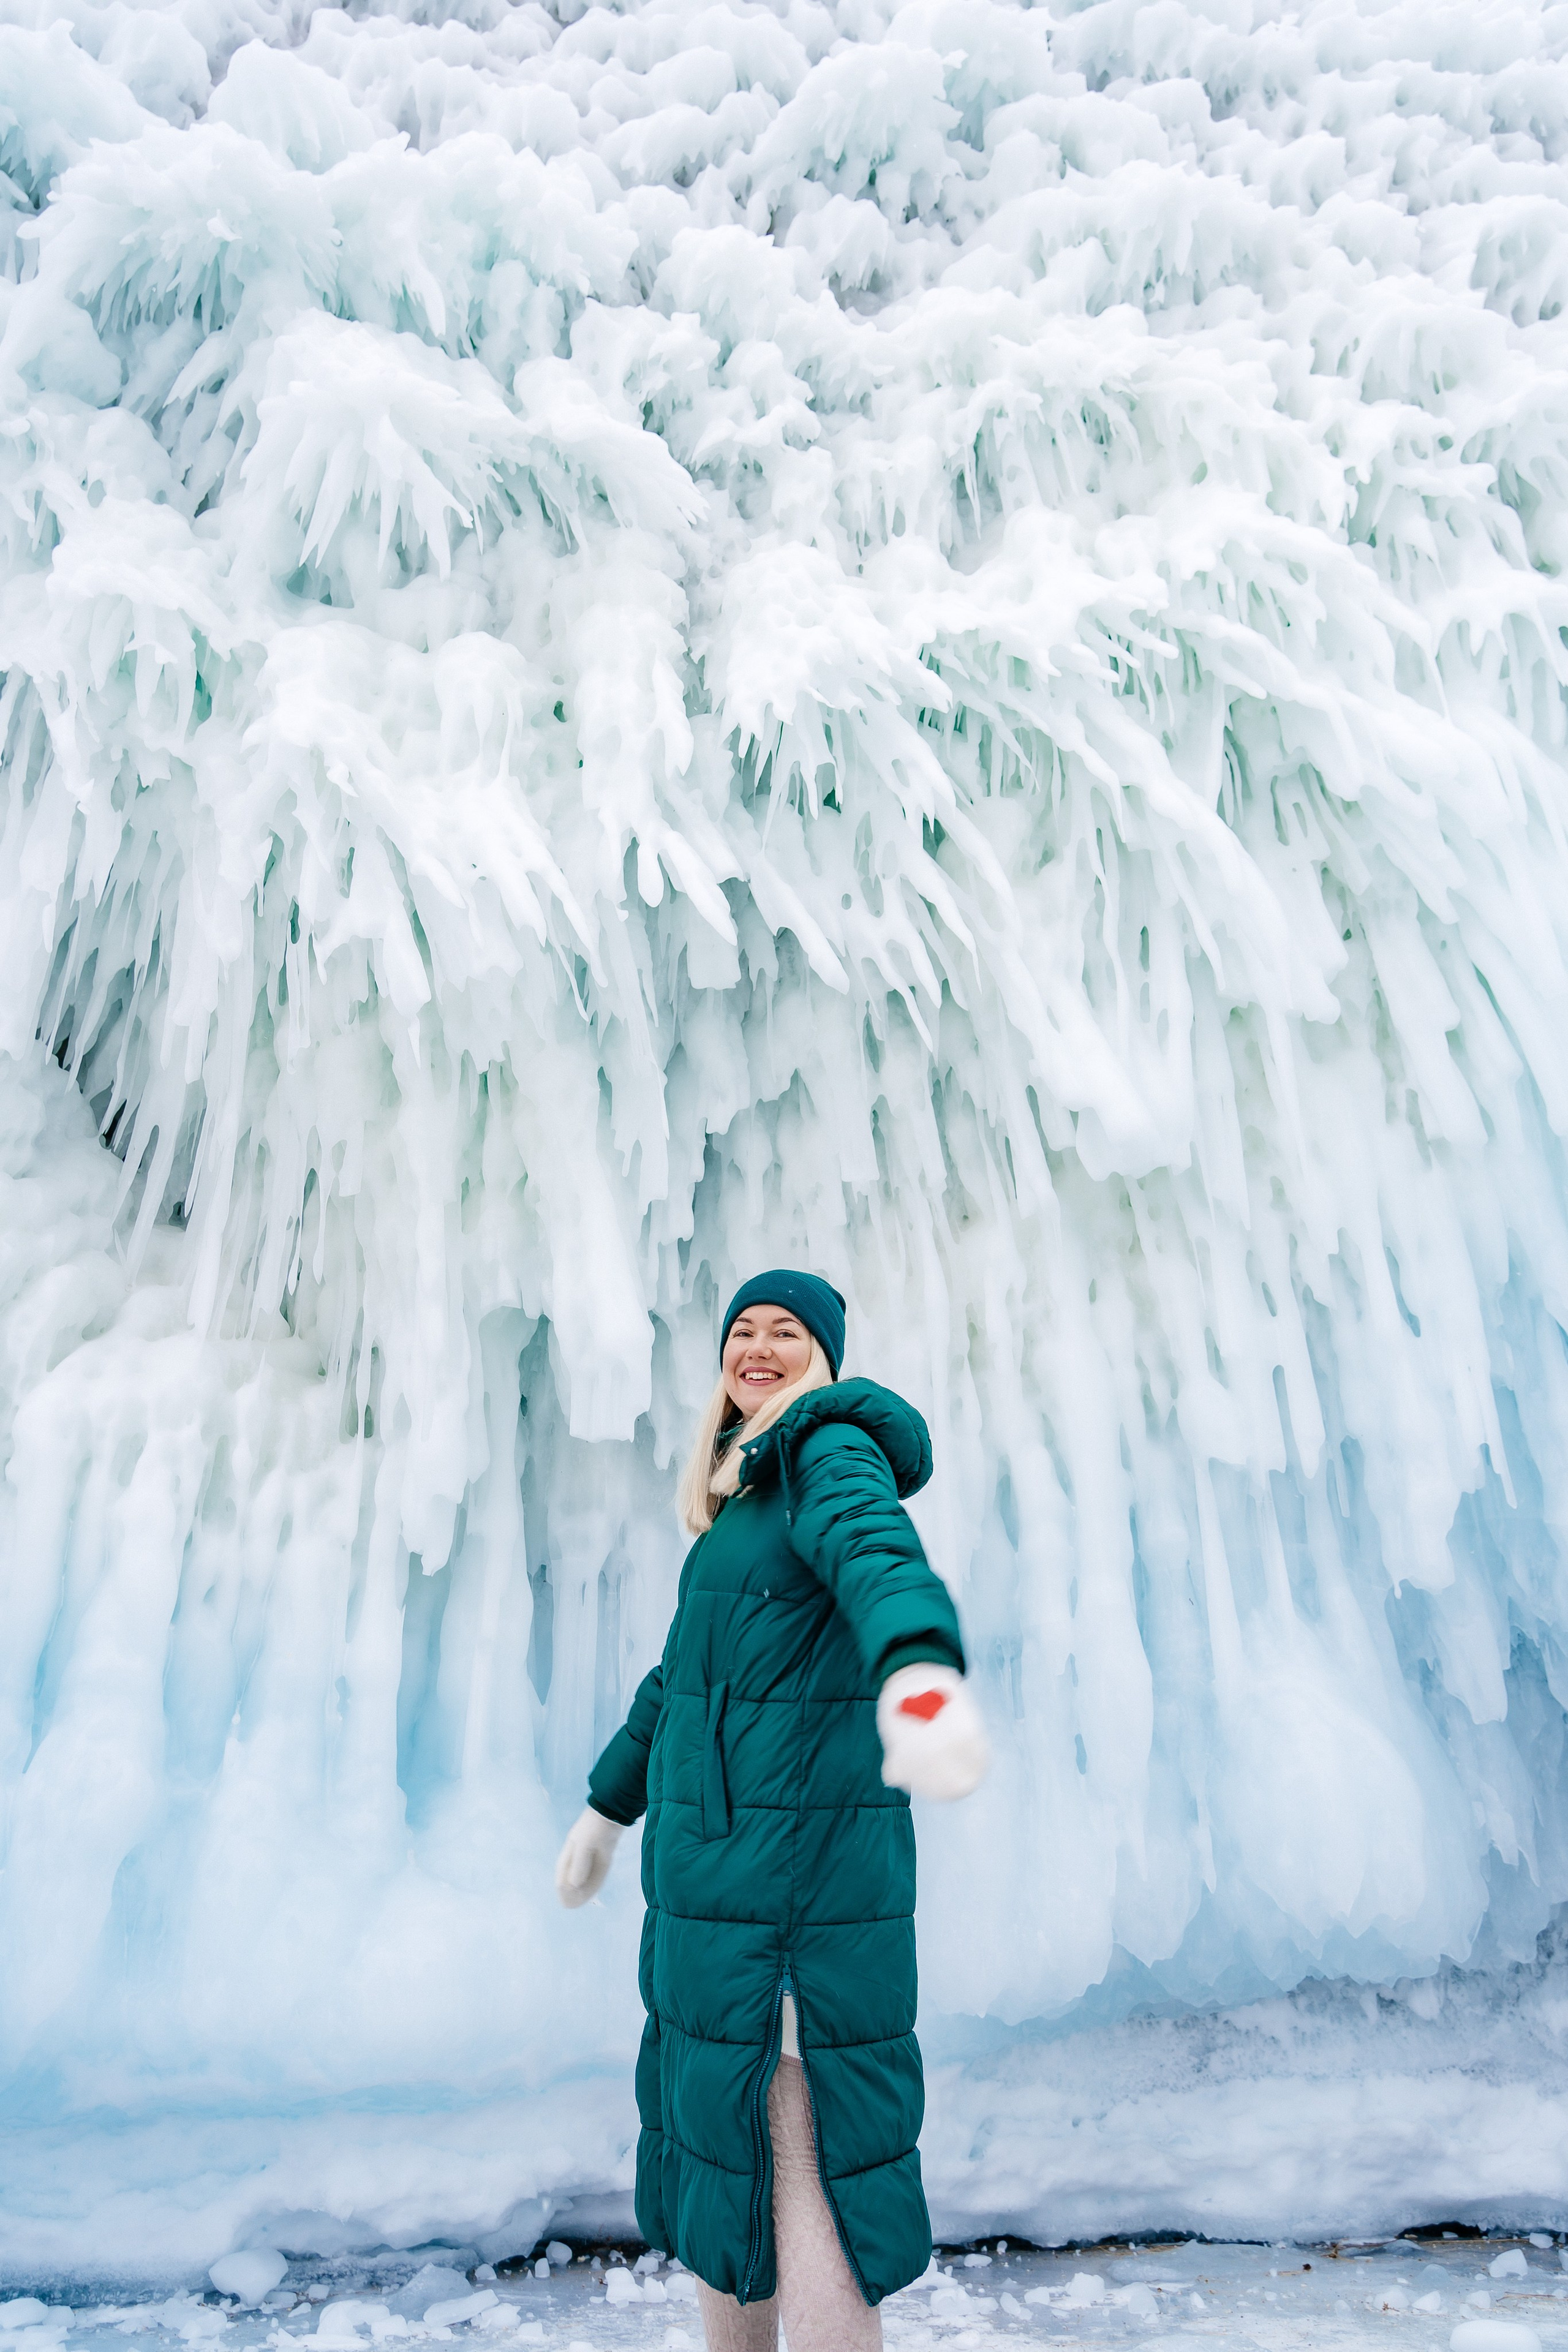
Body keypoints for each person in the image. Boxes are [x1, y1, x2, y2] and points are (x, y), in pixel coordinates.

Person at [554, 1271, 989, 2352]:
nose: (758, 1347)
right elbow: (682, 1684)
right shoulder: (743, 1502)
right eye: (741, 1331)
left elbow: (879, 1558)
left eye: (786, 1331)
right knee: (727, 2182)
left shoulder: (826, 1449)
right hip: (714, 1901)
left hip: (792, 1898)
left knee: (810, 2177)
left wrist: (920, 1677)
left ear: (825, 1357)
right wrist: (607, 1809)